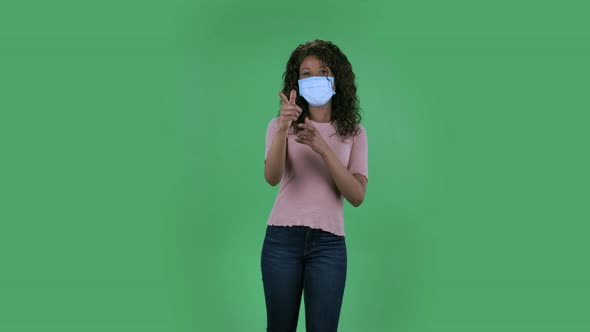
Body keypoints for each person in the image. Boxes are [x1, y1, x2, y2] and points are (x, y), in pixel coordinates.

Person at [261, 39, 368, 332]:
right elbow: (272, 177)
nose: (315, 79)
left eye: (323, 71)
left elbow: (357, 195)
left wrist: (323, 148)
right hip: (282, 242)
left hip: (329, 246)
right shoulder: (278, 125)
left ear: (337, 79)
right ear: (296, 82)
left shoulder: (355, 133)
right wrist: (284, 128)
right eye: (306, 73)